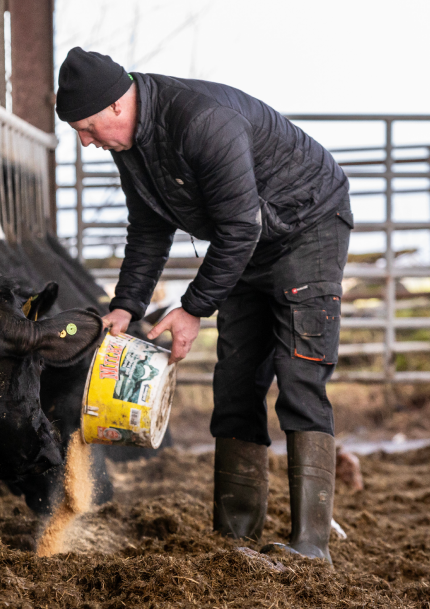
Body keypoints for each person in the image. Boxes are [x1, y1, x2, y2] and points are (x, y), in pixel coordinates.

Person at [56, 47, 352, 564]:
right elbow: (149, 228)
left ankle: (310, 546)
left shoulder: (202, 122)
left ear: (117, 107)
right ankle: (236, 536)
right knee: (236, 380)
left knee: (299, 376)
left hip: (306, 230)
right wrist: (125, 306)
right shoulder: (130, 146)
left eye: (85, 127)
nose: (85, 141)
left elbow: (241, 227)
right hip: (247, 243)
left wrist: (193, 308)